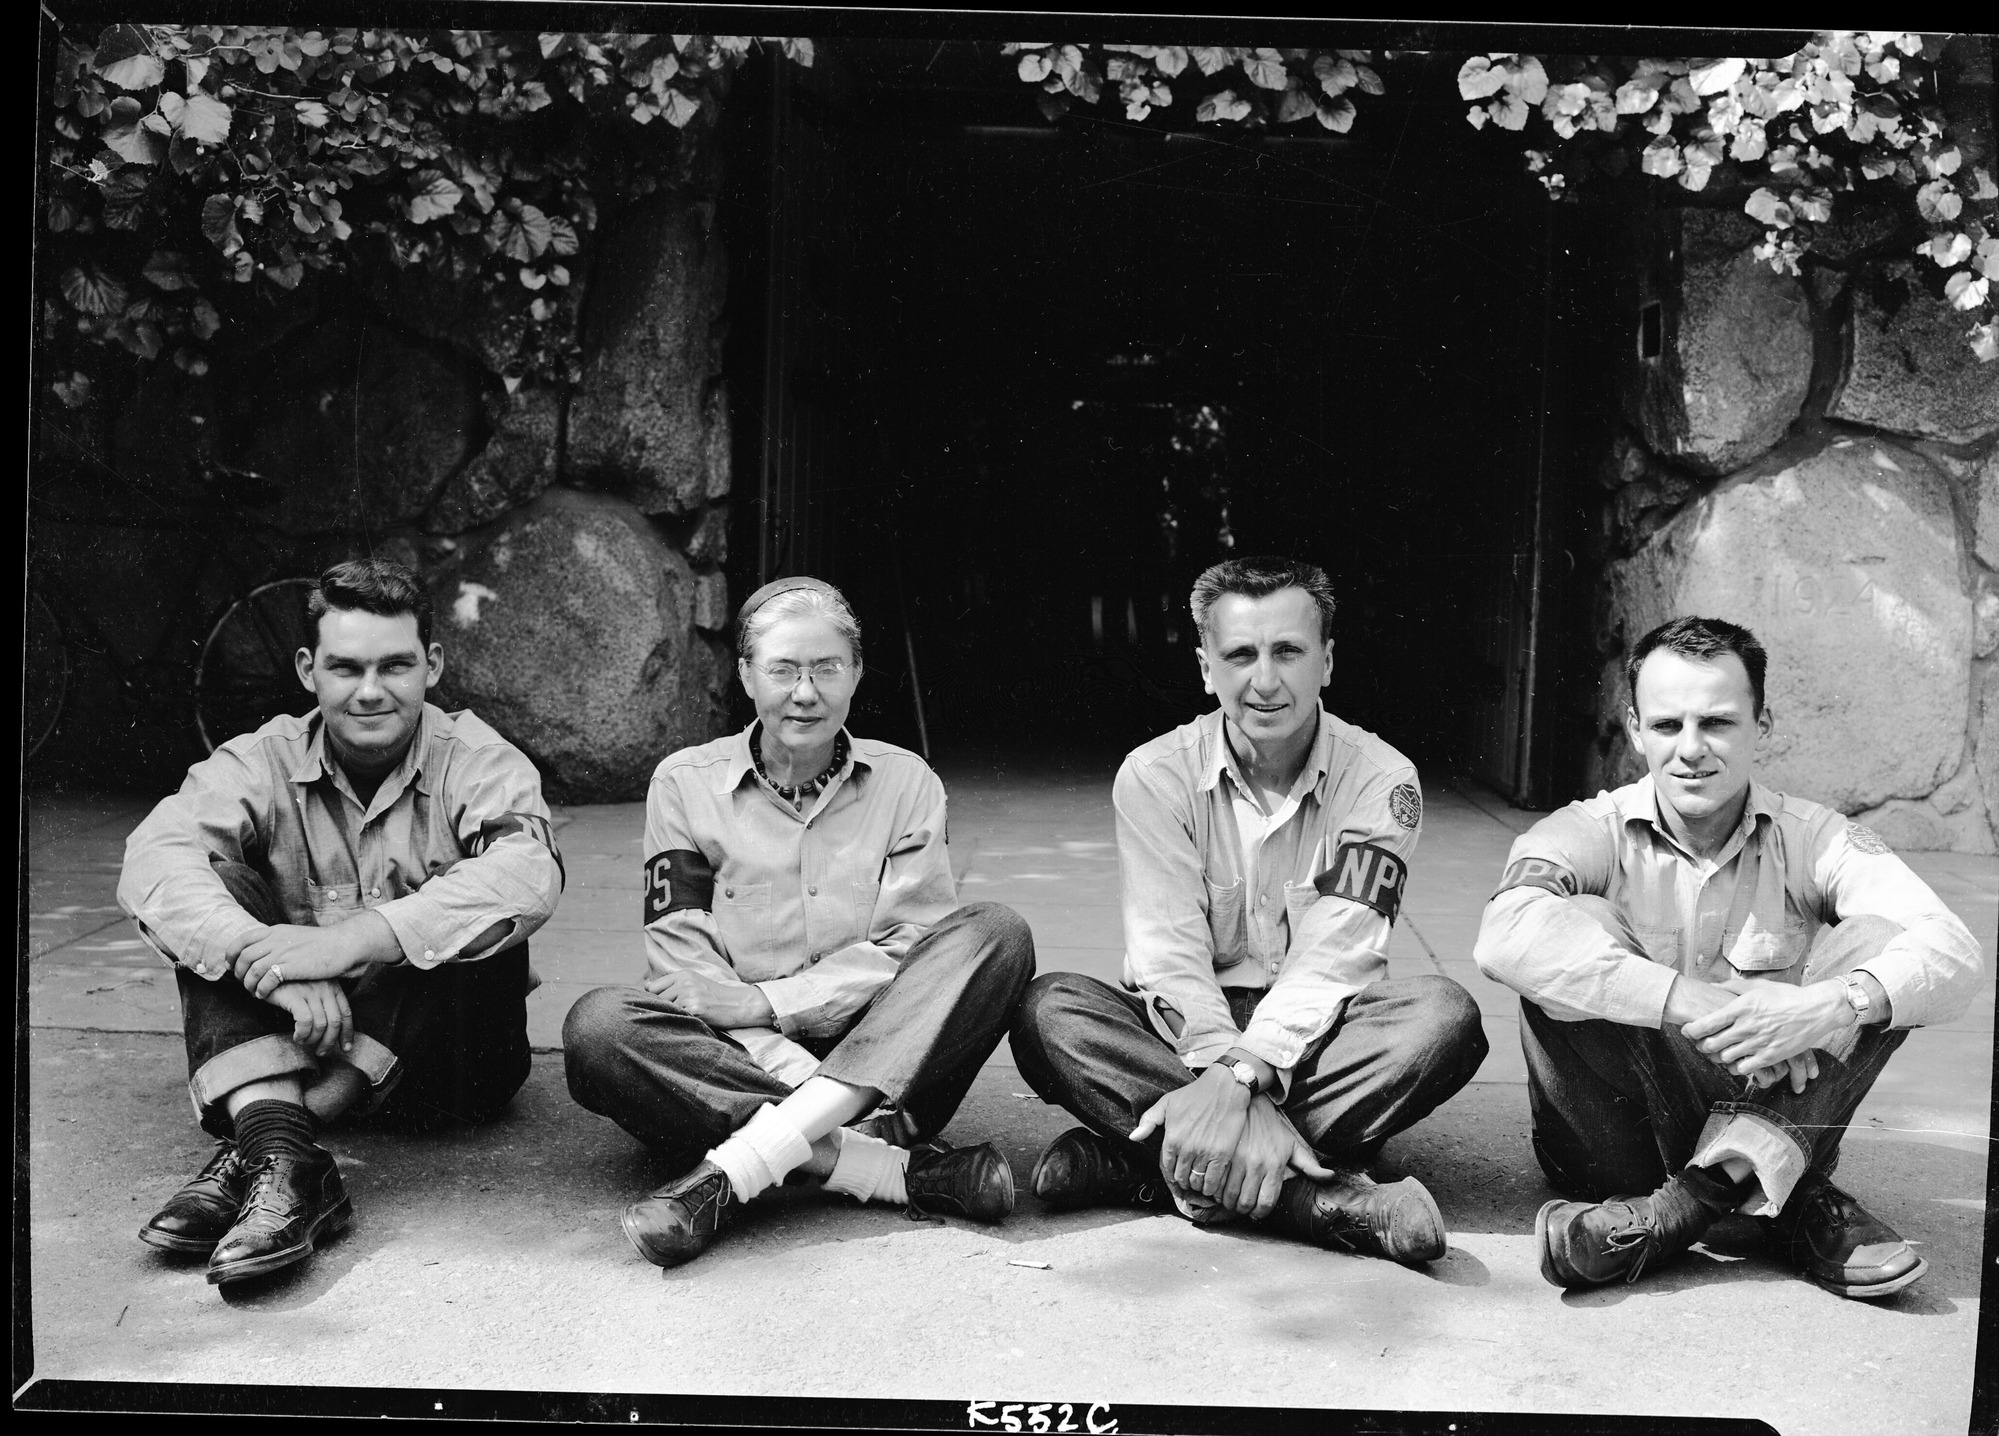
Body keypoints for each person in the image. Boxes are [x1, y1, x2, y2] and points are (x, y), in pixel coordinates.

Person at [1473, 615, 1984, 1297]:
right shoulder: (1584, 829)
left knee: (1878, 945)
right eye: (1665, 726)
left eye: (1715, 723)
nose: (1689, 750)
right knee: (1574, 921)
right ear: (1632, 728)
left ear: (1761, 725)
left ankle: (1677, 1211)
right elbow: (1501, 935)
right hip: (1609, 1143)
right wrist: (1692, 1000)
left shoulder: (1814, 838)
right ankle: (1786, 1198)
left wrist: (1827, 1004)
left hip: (1758, 1107)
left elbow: (1951, 950)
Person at [1009, 555, 1488, 1265]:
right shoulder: (1155, 775)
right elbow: (1165, 953)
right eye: (1240, 655)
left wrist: (1243, 1077)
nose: (1264, 681)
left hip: (1318, 1039)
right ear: (1206, 668)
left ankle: (1141, 1164)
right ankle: (1318, 1199)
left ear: (1326, 661)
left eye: (1288, 651)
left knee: (1441, 1019)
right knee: (1048, 1010)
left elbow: (1337, 953)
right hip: (1183, 1032)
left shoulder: (1381, 781)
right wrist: (1224, 1074)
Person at [562, 577, 1036, 1269]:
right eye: (783, 669)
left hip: (882, 1057)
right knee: (600, 1025)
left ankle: (737, 1171)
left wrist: (769, 1001)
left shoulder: (905, 783)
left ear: (857, 674)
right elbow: (683, 967)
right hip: (735, 1060)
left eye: (825, 668)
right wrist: (788, 1064)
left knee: (995, 931)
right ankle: (892, 1170)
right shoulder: (684, 785)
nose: (804, 692)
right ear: (746, 675)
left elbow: (911, 947)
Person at [119, 557, 564, 1285]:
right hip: (304, 1033)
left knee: (474, 901)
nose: (369, 691)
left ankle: (266, 1136)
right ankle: (287, 1160)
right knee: (214, 891)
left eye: (394, 666)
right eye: (345, 667)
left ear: (433, 665)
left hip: (450, 1070)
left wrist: (340, 945)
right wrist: (265, 963)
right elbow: (153, 861)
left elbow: (528, 875)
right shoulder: (262, 759)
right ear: (307, 669)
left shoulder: (479, 758)